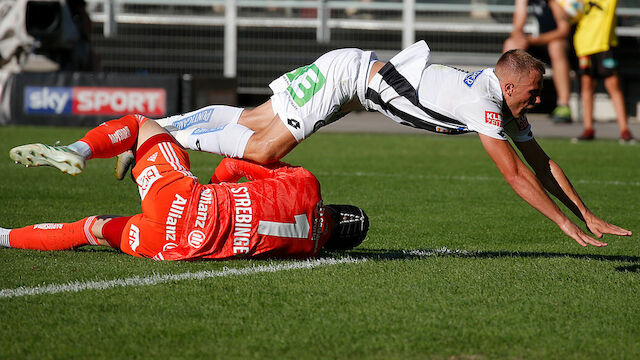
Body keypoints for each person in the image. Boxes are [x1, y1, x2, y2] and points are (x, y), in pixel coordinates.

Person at [9, 41, 632, 248]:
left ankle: (155, 131)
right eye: (537, 93)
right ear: (514, 82)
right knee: (259, 153)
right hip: (346, 79)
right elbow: (517, 179)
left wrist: (584, 211)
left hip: (351, 76)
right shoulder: (484, 102)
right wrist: (562, 226)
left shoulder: (499, 97)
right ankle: (154, 135)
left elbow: (540, 160)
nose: (539, 104)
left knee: (253, 126)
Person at [3, 115, 369, 260]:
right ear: (333, 243)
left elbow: (233, 164)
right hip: (176, 242)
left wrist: (210, 188)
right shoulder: (306, 252)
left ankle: (80, 149)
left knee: (142, 124)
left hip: (183, 199)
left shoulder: (306, 184)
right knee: (91, 228)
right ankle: (3, 237)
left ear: (335, 207)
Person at [503, 0, 573, 123]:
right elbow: (518, 25)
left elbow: (563, 31)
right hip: (542, 43)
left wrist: (532, 40)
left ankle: (564, 105)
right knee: (511, 43)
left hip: (567, 45)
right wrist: (519, 36)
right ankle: (506, 98)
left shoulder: (555, 2)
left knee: (556, 47)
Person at [573, 0, 634, 143]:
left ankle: (624, 130)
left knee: (613, 85)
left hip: (605, 45)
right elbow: (571, 16)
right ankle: (588, 128)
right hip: (584, 45)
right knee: (586, 85)